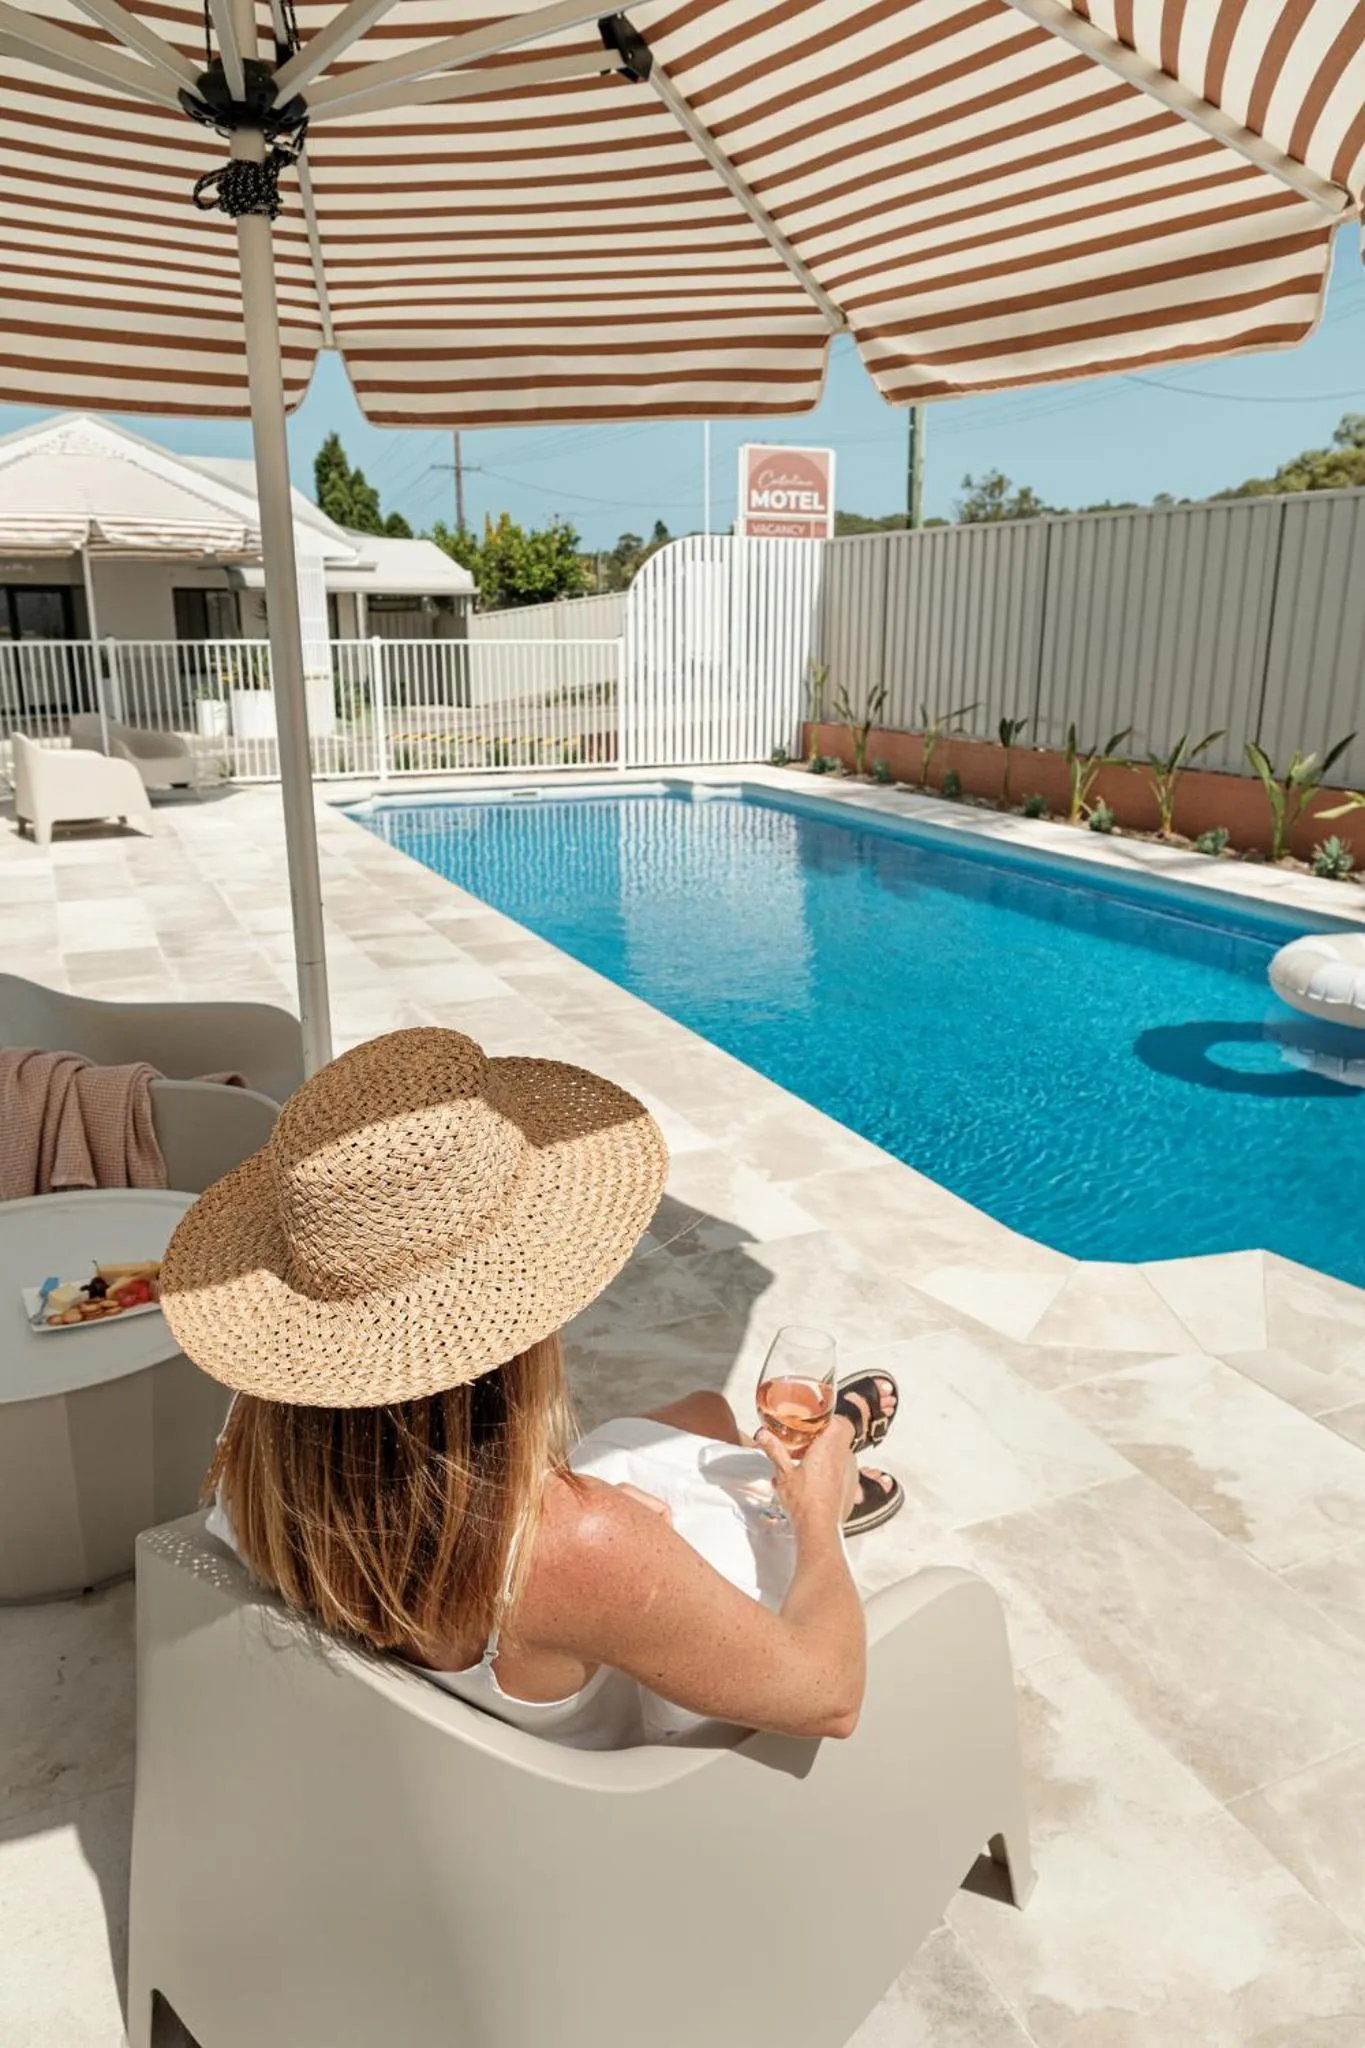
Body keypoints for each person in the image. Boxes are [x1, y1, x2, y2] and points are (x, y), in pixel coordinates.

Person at [160, 1027, 903, 1752]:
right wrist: (819, 1523)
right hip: (625, 1788)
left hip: (513, 1597)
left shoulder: (262, 1458)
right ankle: (815, 1481)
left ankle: (782, 1472)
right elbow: (829, 1696)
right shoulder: (583, 1546)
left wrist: (578, 1517)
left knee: (703, 1412)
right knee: (751, 1477)